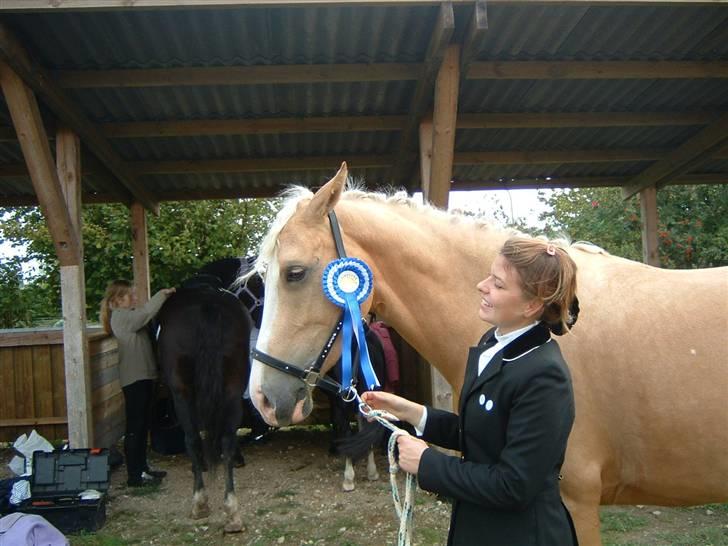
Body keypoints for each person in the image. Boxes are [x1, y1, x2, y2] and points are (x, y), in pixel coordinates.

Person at [362, 237, 580, 545]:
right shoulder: (493, 342)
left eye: (499, 284)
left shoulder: (544, 375)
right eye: (490, 276)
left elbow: (514, 485)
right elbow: (482, 435)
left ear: (532, 305)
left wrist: (428, 463)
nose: (482, 285)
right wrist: (411, 412)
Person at [100, 280, 176, 487]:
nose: (134, 298)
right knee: (135, 427)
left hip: (143, 378)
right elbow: (144, 314)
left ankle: (142, 469)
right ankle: (135, 475)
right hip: (135, 380)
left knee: (142, 426)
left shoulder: (128, 316)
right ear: (117, 299)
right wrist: (162, 294)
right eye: (130, 295)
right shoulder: (122, 317)